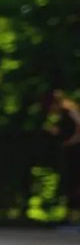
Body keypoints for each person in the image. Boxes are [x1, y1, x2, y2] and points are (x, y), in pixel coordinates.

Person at [45, 90, 80, 226]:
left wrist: (72, 140)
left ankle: (72, 216)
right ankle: (70, 216)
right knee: (70, 183)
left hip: (76, 152)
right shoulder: (64, 114)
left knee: (74, 182)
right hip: (72, 152)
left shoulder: (69, 112)